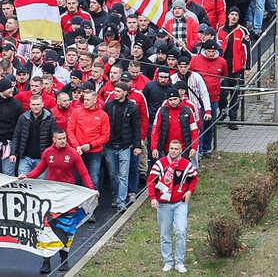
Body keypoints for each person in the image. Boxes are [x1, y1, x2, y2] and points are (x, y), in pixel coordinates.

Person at [28, 129, 96, 274]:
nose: (62, 141)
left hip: (68, 197)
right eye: (59, 139)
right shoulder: (47, 153)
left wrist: (91, 189)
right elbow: (39, 170)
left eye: (64, 138)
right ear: (54, 139)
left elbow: (84, 172)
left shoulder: (72, 153)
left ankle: (64, 259)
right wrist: (25, 177)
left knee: (66, 228)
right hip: (51, 196)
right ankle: (46, 261)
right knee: (46, 228)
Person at [148, 139, 198, 273]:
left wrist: (189, 191)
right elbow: (151, 181)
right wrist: (153, 198)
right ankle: (168, 261)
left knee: (181, 231)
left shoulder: (186, 164)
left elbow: (194, 178)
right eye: (171, 148)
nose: (173, 151)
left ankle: (179, 262)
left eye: (176, 149)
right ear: (168, 149)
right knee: (165, 234)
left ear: (181, 150)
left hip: (180, 203)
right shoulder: (160, 163)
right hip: (163, 204)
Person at [102, 82, 141, 210]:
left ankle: (121, 201)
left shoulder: (132, 107)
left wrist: (137, 145)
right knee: (113, 174)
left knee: (123, 175)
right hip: (110, 145)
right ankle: (115, 196)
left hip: (125, 146)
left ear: (125, 92)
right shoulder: (108, 106)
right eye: (115, 91)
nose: (115, 93)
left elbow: (136, 128)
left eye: (118, 91)